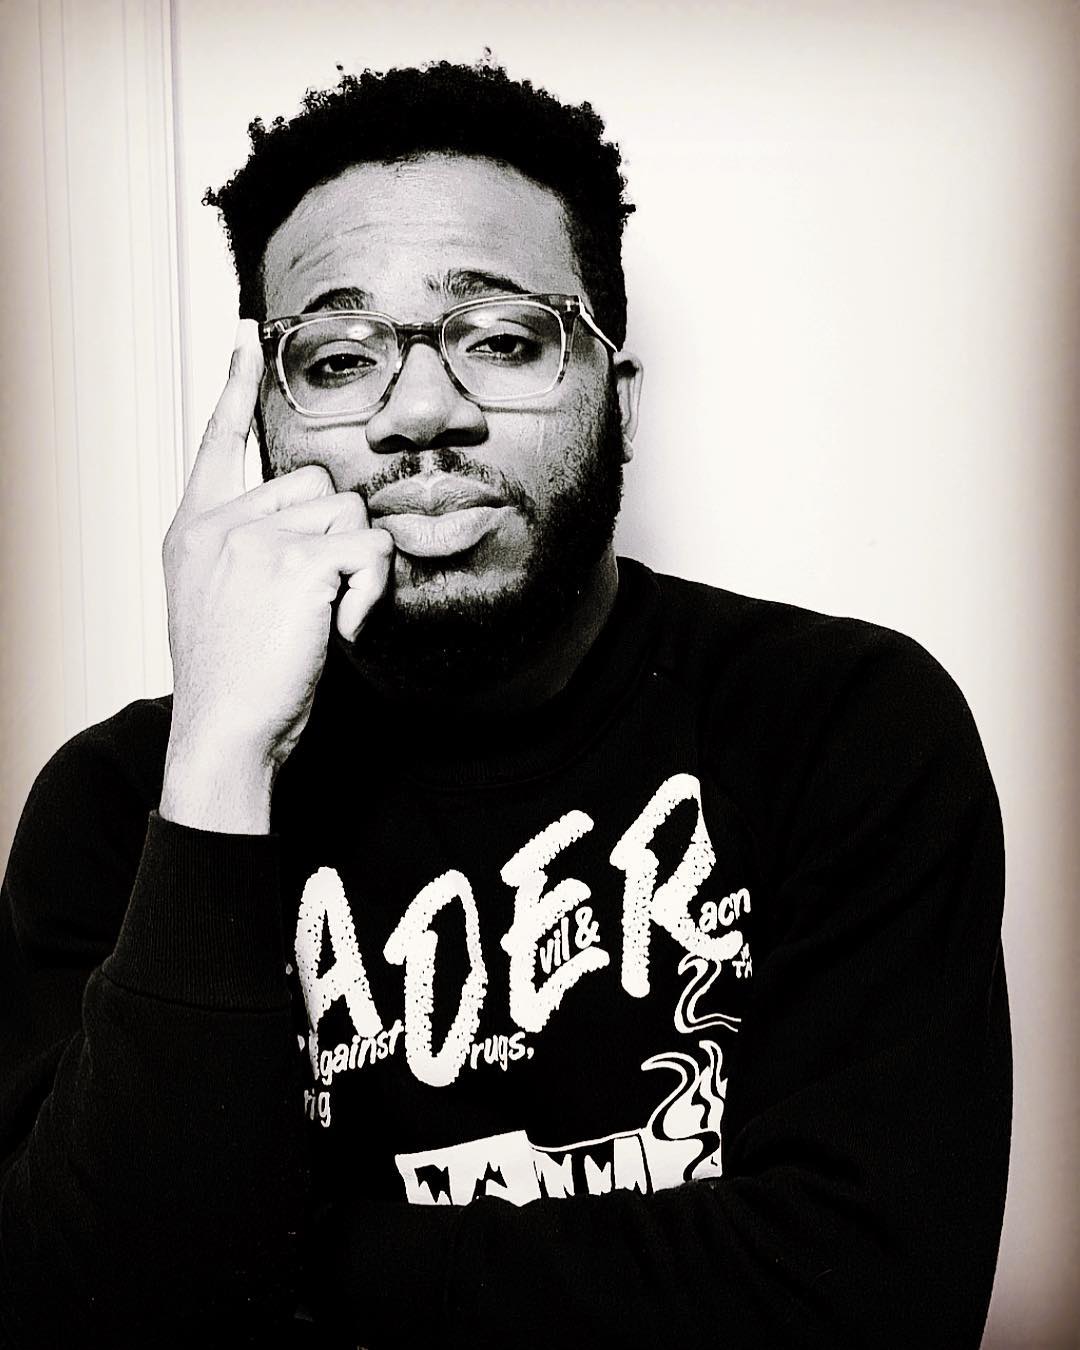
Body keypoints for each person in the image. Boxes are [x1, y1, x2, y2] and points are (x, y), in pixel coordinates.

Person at [0, 59, 1010, 1348]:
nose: (424, 411)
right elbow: (82, 1325)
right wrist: (218, 764)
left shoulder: (846, 725)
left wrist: (281, 1261)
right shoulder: (123, 802)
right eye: (339, 358)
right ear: (264, 430)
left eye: (503, 341)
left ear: (618, 405)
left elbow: (868, 1303)